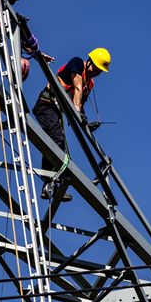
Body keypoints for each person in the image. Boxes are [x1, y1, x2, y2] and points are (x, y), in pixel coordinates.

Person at [32, 48, 112, 200]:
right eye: (95, 68)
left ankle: (53, 185)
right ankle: (48, 182)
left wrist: (85, 123)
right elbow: (77, 88)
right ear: (89, 61)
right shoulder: (77, 63)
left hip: (57, 110)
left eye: (100, 71)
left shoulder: (90, 84)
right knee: (57, 139)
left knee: (62, 148)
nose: (96, 72)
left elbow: (79, 103)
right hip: (46, 104)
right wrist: (77, 113)